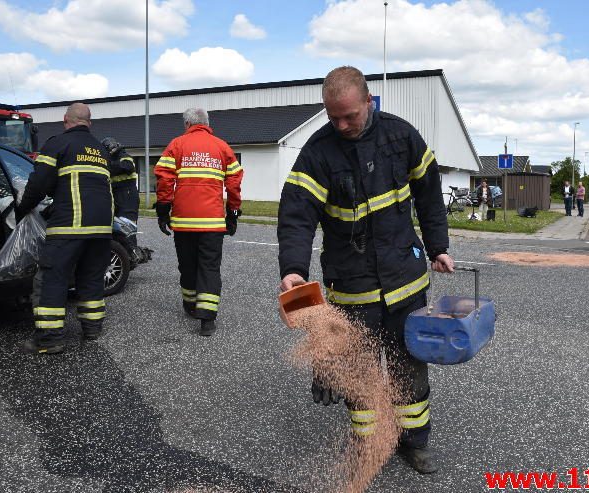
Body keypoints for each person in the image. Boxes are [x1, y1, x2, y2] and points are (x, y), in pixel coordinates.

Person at [277, 66, 454, 474]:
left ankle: (414, 441)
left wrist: (438, 247)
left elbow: (429, 196)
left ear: (369, 102)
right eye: (332, 117)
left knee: (410, 364)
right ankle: (367, 441)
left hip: (404, 279)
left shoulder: (401, 136)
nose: (341, 125)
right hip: (350, 285)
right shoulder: (318, 153)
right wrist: (293, 269)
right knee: (358, 370)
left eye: (349, 116)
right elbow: (297, 215)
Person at [14, 103, 113, 354]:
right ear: (89, 122)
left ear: (65, 120)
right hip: (102, 228)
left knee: (51, 279)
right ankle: (92, 329)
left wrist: (22, 208)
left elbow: (38, 183)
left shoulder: (58, 143)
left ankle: (49, 339)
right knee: (91, 278)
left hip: (70, 226)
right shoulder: (101, 149)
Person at [154, 108, 243, 336]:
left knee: (188, 265)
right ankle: (207, 320)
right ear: (207, 123)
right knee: (209, 267)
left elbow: (164, 178)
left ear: (187, 124)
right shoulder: (222, 147)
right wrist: (232, 213)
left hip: (184, 222)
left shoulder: (177, 144)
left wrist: (163, 210)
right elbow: (234, 183)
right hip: (212, 223)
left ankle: (190, 305)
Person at [101, 136, 140, 245]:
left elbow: (127, 166)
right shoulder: (111, 159)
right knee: (117, 225)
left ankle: (131, 253)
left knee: (127, 224)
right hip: (116, 195)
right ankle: (121, 251)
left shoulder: (124, 155)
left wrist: (107, 166)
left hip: (127, 195)